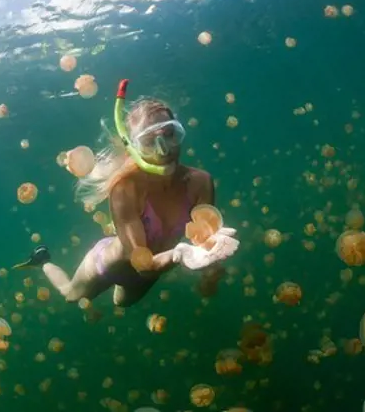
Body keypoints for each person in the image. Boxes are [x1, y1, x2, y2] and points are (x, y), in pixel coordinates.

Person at [16, 79, 240, 307]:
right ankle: (43, 260)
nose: (163, 150)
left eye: (170, 134)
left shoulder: (201, 182)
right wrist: (178, 255)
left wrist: (211, 261)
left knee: (121, 304)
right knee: (70, 295)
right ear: (132, 147)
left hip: (152, 272)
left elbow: (206, 239)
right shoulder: (125, 190)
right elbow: (142, 264)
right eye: (149, 142)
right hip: (108, 267)